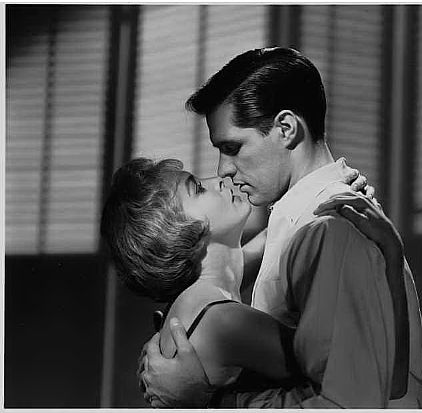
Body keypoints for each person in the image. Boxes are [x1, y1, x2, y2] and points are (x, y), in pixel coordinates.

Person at [138, 47, 422, 408]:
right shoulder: (297, 222)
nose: (223, 169)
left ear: (286, 129)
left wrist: (207, 400)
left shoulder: (331, 228)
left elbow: (349, 404)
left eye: (233, 147)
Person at [101, 157, 391, 404]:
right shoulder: (224, 323)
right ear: (177, 234)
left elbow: (271, 240)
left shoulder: (198, 296)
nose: (219, 180)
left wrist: (327, 198)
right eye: (198, 189)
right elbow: (336, 365)